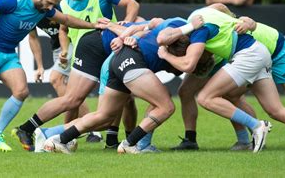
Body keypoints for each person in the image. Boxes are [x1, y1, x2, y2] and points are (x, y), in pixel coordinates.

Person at [0, 0, 108, 154]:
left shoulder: (44, 10)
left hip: (8, 54)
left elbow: (66, 19)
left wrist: (93, 25)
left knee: (21, 92)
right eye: (49, 3)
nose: (50, 8)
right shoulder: (14, 1)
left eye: (53, 5)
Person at [13, 0, 140, 150]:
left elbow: (132, 4)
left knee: (126, 99)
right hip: (86, 53)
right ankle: (30, 128)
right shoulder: (63, 4)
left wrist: (125, 27)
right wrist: (64, 49)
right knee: (73, 100)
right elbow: (63, 30)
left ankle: (121, 141)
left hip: (112, 50)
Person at [158, 7, 285, 153]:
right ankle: (246, 139)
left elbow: (186, 62)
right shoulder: (200, 16)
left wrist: (165, 54)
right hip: (259, 52)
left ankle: (256, 126)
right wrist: (236, 20)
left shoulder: (199, 32)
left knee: (206, 98)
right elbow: (219, 7)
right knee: (274, 110)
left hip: (274, 50)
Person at [42, 16, 205, 154]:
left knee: (104, 116)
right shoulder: (180, 26)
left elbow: (152, 25)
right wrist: (188, 30)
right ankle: (130, 144)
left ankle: (59, 140)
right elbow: (161, 34)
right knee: (166, 106)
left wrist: (126, 36)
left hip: (119, 59)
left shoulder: (165, 29)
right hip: (132, 59)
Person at [19, 0, 91, 122]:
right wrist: (39, 66)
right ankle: (81, 128)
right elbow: (33, 38)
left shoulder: (55, 6)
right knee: (71, 90)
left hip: (73, 43)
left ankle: (78, 127)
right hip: (58, 48)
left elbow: (67, 27)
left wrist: (65, 50)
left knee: (56, 79)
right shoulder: (28, 10)